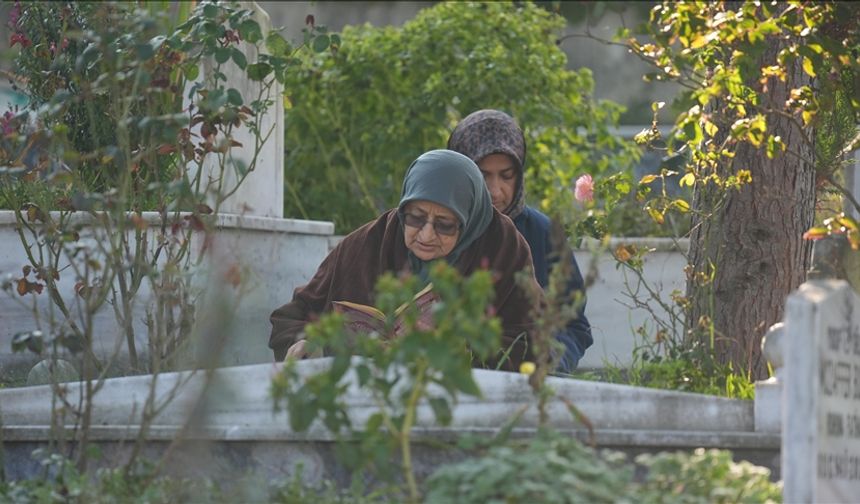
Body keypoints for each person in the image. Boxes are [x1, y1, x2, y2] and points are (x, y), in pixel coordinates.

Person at [269, 149, 542, 371]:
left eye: (445, 225)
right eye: (415, 217)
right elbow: (294, 315)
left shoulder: (503, 248)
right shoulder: (368, 243)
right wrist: (302, 342)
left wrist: (460, 351)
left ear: (468, 221)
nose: (425, 235)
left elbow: (531, 341)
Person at [447, 109, 592, 372]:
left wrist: (549, 362)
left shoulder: (544, 233)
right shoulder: (438, 229)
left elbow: (573, 324)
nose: (495, 191)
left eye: (506, 175)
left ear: (520, 174)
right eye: (482, 175)